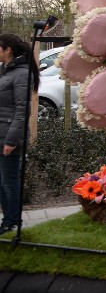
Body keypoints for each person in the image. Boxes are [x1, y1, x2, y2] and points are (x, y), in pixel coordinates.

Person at [0, 34, 40, 235]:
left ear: (8, 50)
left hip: (9, 137)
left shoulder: (22, 73)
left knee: (9, 181)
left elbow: (22, 110)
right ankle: (6, 221)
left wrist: (11, 140)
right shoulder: (5, 71)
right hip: (1, 134)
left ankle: (13, 222)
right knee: (1, 182)